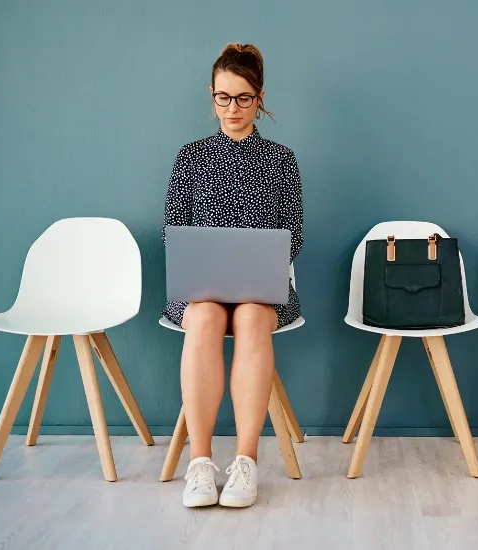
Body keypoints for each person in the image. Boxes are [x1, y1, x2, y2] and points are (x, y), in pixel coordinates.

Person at [162, 43, 303, 508]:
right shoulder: (191, 157)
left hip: (261, 290)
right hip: (200, 289)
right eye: (224, 97)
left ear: (259, 98)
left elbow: (293, 237)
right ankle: (200, 465)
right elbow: (173, 233)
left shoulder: (281, 160)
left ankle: (246, 462)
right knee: (202, 317)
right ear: (212, 96)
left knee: (250, 318)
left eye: (243, 98)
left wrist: (257, 262)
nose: (233, 109)